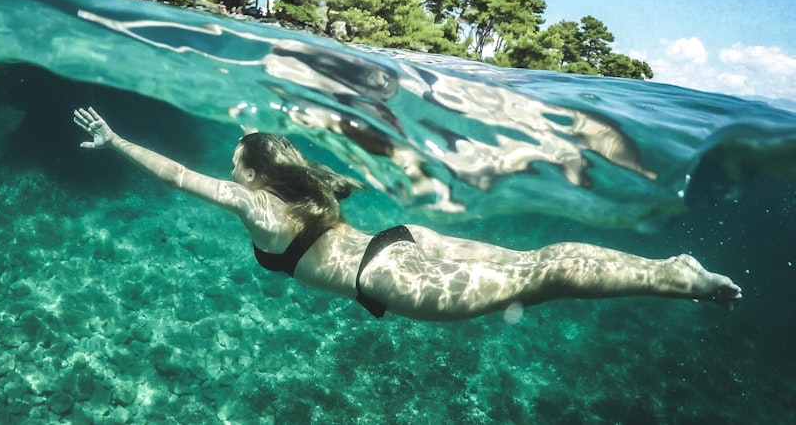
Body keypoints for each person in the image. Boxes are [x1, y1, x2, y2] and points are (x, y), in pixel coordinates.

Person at [73, 107, 742, 321]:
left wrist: (115, 142)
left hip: (388, 274)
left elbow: (177, 174)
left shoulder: (255, 202)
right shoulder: (311, 186)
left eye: (233, 159)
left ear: (250, 173)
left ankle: (672, 278)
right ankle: (666, 267)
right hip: (399, 239)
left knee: (542, 277)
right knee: (529, 264)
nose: (226, 167)